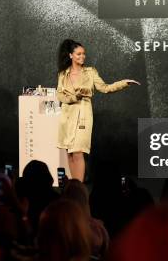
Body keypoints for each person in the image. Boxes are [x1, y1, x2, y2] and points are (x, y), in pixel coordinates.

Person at [56, 39, 139, 181]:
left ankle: (79, 187)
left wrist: (124, 83)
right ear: (70, 55)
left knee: (78, 152)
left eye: (84, 54)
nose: (82, 57)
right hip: (67, 116)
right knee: (69, 153)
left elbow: (105, 88)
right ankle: (74, 185)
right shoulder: (63, 74)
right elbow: (59, 94)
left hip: (83, 116)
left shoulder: (90, 72)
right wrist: (73, 97)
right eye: (78, 54)